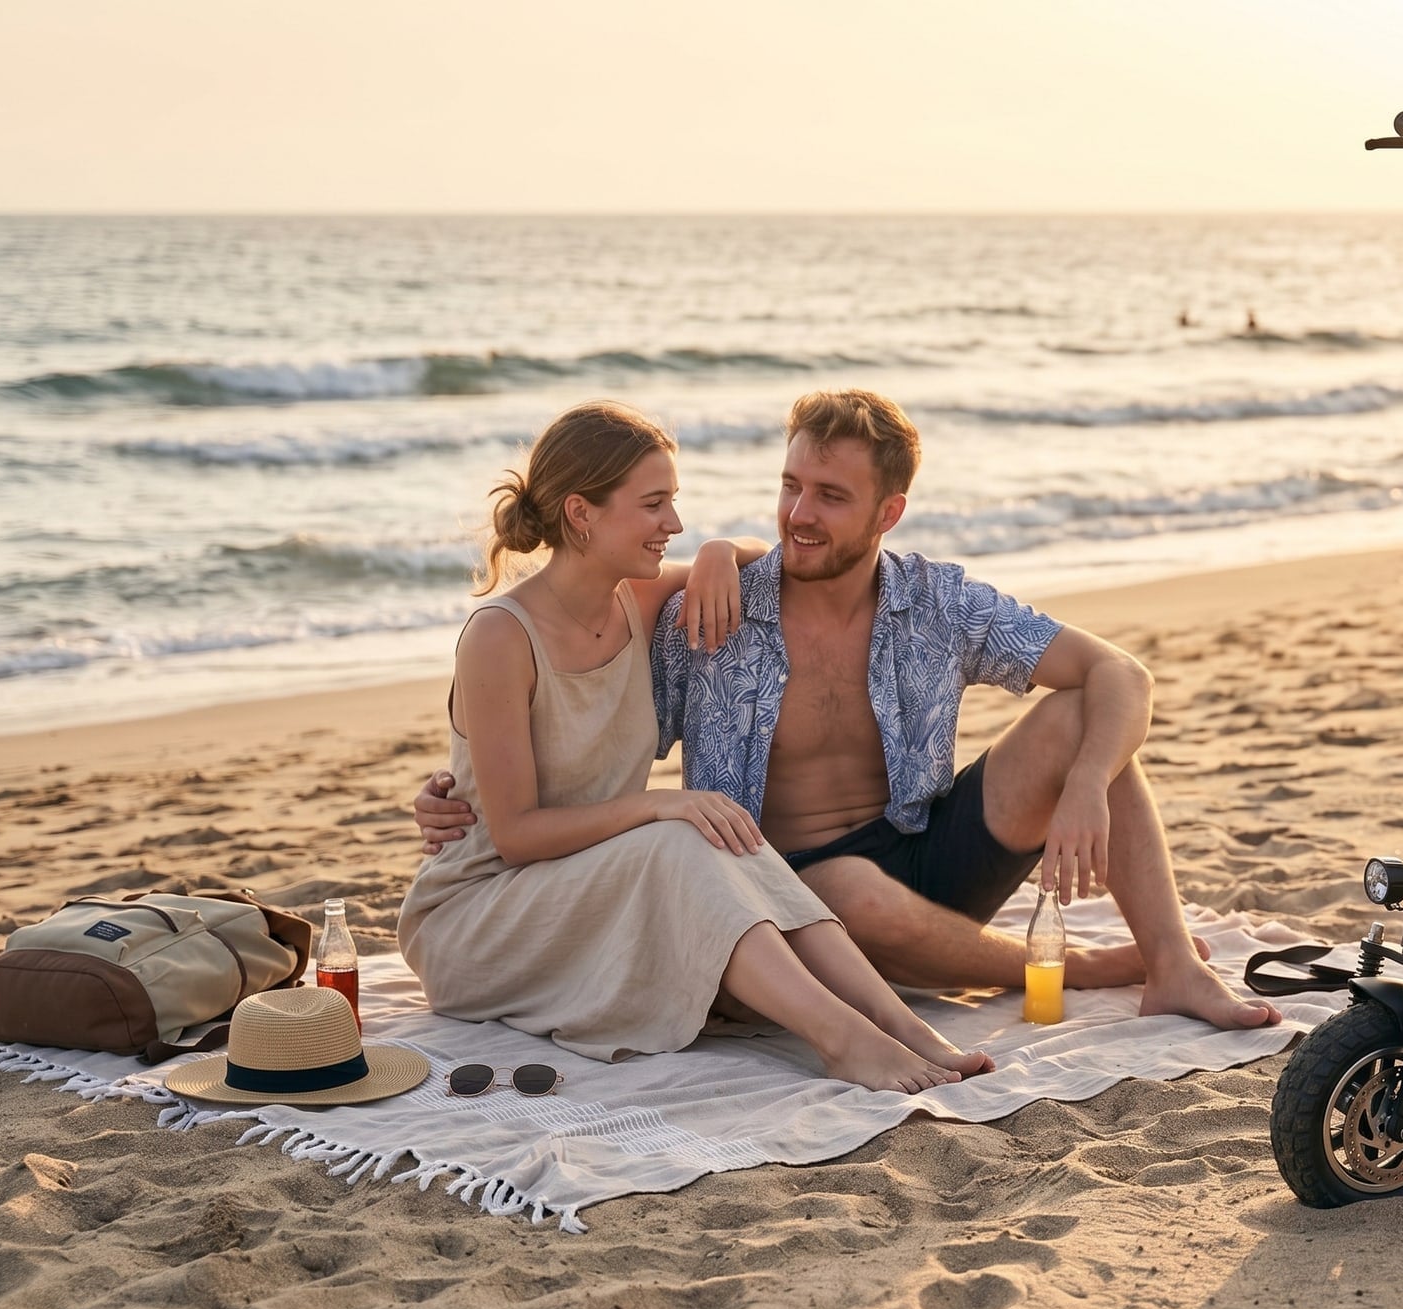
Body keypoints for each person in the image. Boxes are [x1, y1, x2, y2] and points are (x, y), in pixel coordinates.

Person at [419, 390, 1282, 1032]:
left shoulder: (937, 602)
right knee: (849, 891)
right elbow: (574, 711)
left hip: (929, 858)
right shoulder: (707, 617)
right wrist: (455, 791)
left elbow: (1119, 672)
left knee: (1081, 720)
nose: (799, 514)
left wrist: (1090, 781)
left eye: (830, 496)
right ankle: (1077, 968)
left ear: (888, 511)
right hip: (787, 894)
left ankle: (1172, 968)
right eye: (791, 486)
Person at [399, 400, 991, 1093]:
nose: (673, 525)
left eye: (673, 503)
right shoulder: (500, 637)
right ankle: (844, 1041)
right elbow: (519, 835)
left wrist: (716, 555)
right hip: (484, 919)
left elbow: (756, 560)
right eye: (653, 505)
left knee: (727, 835)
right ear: (582, 514)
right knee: (687, 825)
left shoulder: (640, 602)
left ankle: (907, 1030)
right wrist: (659, 808)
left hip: (593, 885)